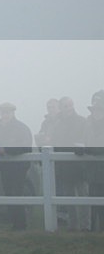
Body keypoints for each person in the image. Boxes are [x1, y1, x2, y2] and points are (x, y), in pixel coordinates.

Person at [0, 102, 33, 230]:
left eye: (7, 112)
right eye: (3, 112)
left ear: (13, 113)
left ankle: (21, 224)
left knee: (17, 193)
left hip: (19, 167)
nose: (5, 115)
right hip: (4, 167)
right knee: (8, 193)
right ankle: (14, 223)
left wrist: (7, 150)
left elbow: (25, 146)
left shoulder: (21, 128)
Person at [51, 96, 89, 230]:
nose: (68, 108)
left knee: (83, 196)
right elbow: (56, 142)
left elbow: (85, 140)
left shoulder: (82, 121)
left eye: (70, 105)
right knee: (68, 196)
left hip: (80, 165)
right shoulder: (57, 124)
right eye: (65, 106)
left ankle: (85, 226)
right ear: (61, 108)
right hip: (64, 166)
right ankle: (73, 225)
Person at [83, 90, 104, 230]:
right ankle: (93, 228)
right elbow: (85, 140)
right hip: (92, 168)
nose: (96, 112)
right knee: (93, 197)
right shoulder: (88, 123)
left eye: (99, 109)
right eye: (94, 109)